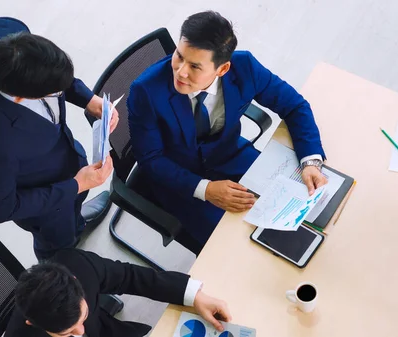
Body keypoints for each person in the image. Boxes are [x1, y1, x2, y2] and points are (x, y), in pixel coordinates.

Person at [127, 11, 327, 249]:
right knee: (240, 246)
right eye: (178, 56)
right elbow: (150, 160)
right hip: (182, 180)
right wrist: (206, 189)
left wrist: (310, 161)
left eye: (194, 66)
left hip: (231, 156)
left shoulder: (246, 68)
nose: (180, 71)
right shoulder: (145, 91)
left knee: (304, 216)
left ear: (222, 70)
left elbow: (294, 105)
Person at [0, 17, 118, 260]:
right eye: (54, 92)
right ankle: (64, 275)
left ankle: (77, 221)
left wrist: (88, 98)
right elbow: (0, 208)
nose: (60, 92)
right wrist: (76, 185)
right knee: (58, 246)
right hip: (46, 206)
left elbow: (54, 78)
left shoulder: (6, 32)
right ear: (19, 98)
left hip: (63, 159)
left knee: (72, 215)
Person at [4, 248, 231, 337]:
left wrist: (195, 296)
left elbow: (129, 276)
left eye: (81, 318)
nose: (81, 331)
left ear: (75, 281)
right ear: (32, 324)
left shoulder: (79, 265)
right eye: (67, 333)